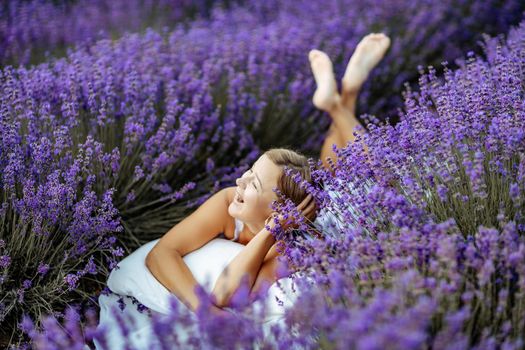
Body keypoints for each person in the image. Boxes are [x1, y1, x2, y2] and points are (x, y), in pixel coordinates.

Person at [94, 33, 391, 349]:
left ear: (277, 211)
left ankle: (340, 100)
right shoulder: (226, 203)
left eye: (253, 185)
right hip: (297, 204)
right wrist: (204, 309)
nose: (238, 184)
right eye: (247, 174)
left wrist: (270, 233)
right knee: (331, 171)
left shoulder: (291, 248)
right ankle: (340, 101)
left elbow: (228, 294)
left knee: (376, 178)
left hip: (326, 223)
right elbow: (161, 255)